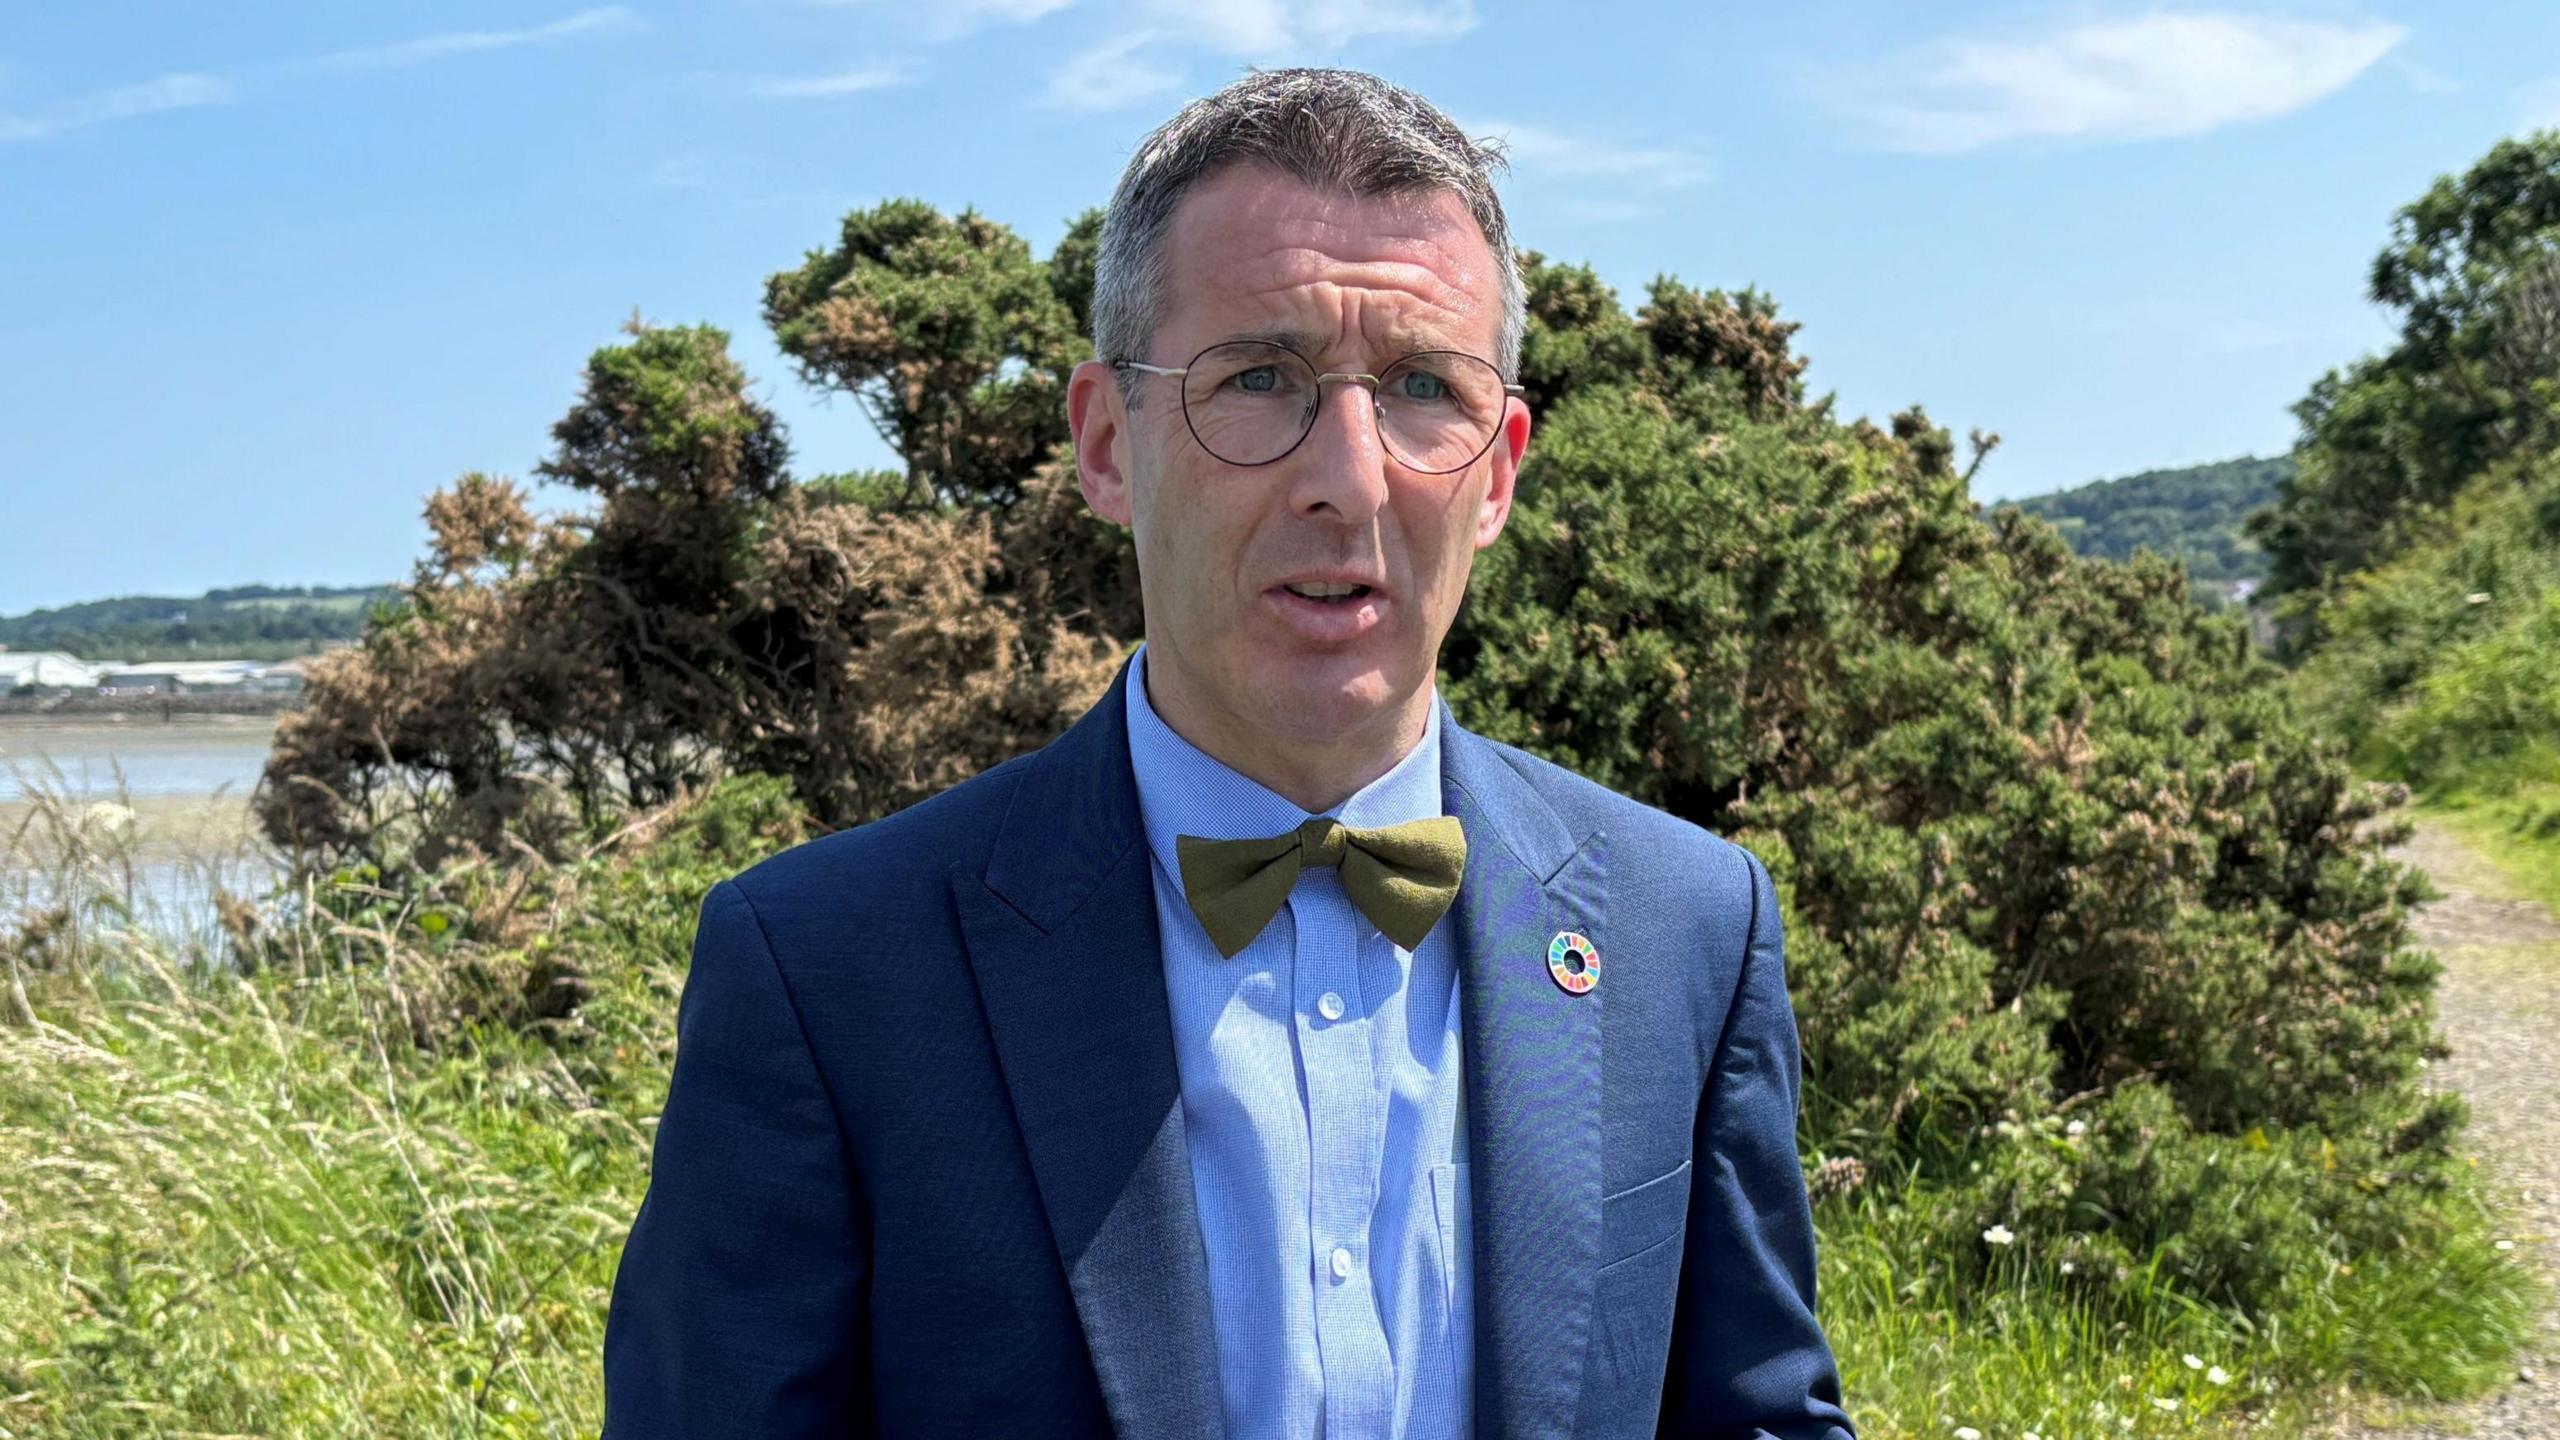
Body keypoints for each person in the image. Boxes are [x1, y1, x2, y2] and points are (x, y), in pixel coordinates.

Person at [601, 66, 1855, 1440]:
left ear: (1497, 472)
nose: (1350, 476)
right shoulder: (827, 972)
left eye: (1424, 387)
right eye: (1260, 379)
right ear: (1103, 442)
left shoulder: (1688, 930)